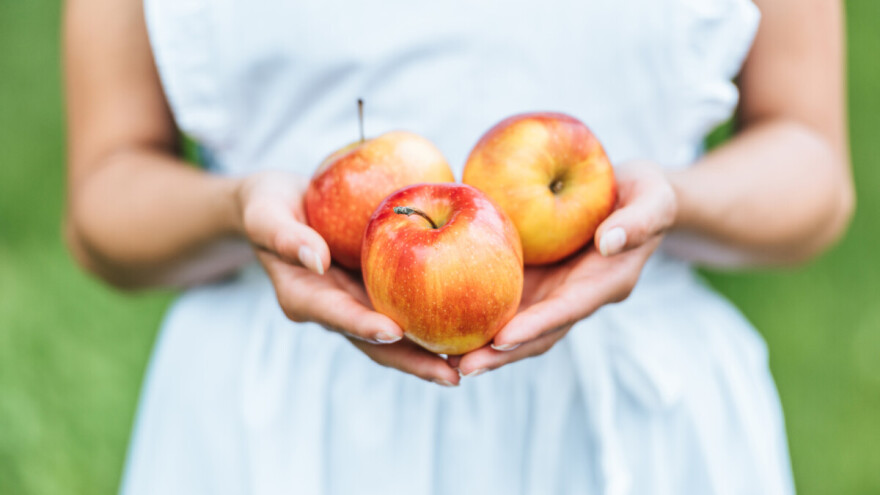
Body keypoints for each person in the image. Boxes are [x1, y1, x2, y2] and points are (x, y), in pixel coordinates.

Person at [63, 0, 853, 493]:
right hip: (276, 428)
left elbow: (813, 169)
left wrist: (668, 201)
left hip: (634, 425)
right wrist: (236, 208)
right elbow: (104, 199)